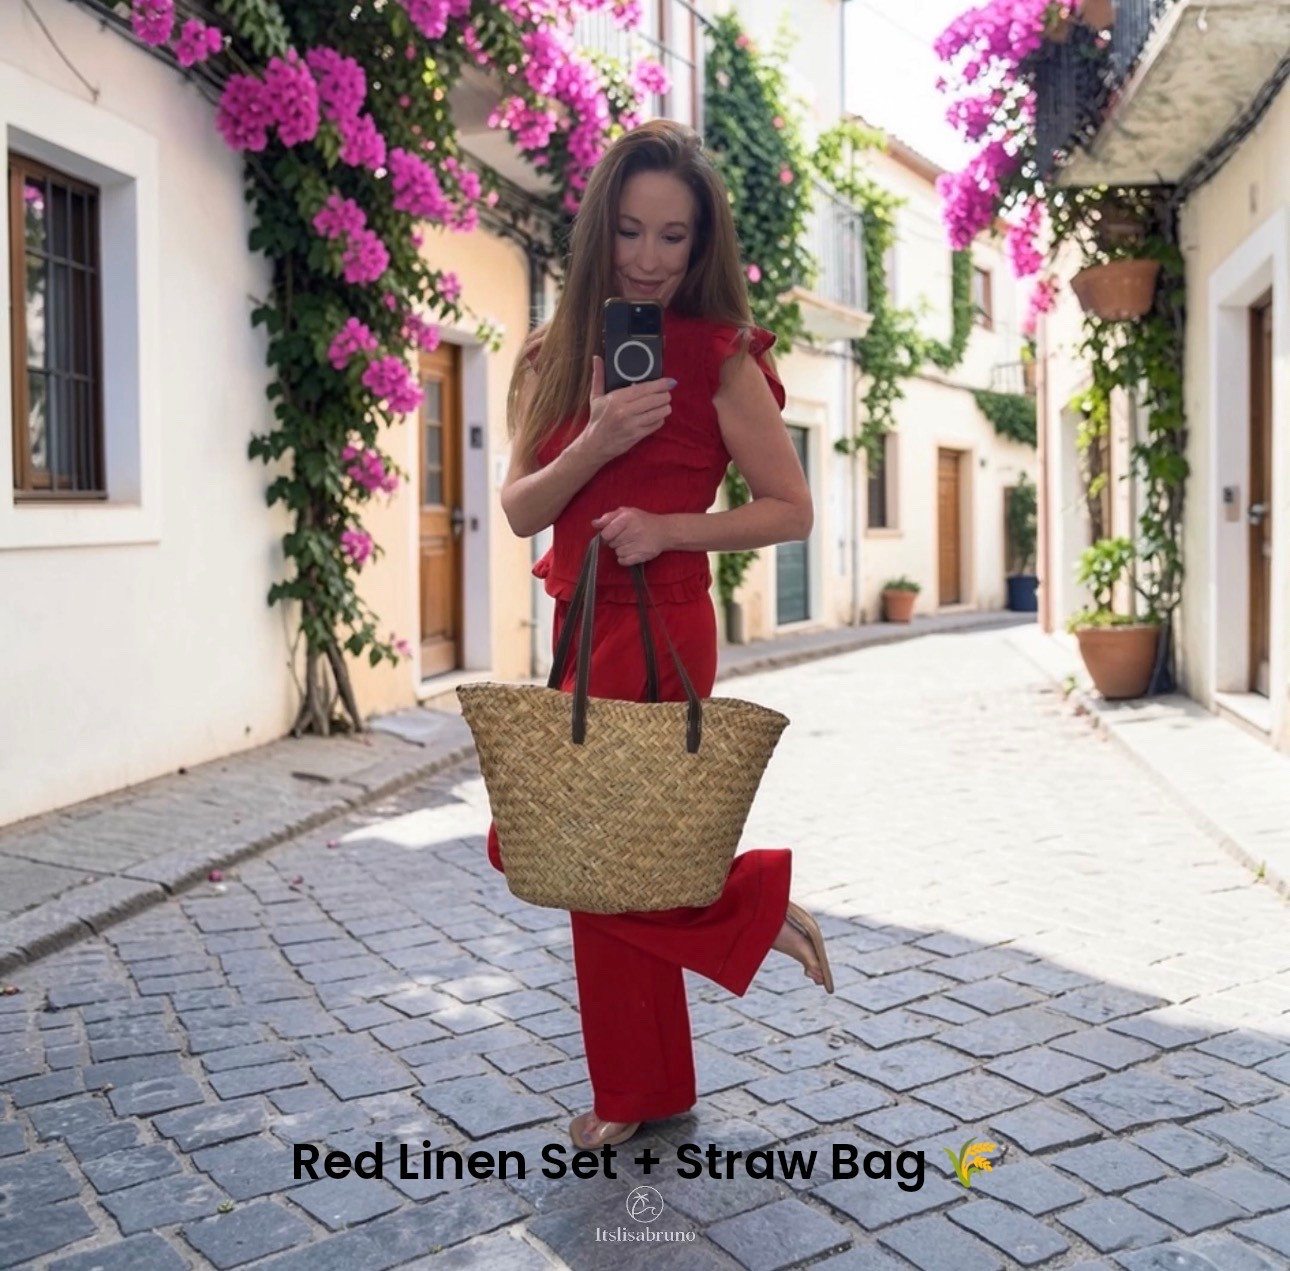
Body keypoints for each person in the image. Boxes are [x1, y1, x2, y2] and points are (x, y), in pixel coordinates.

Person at [488, 119, 833, 1152]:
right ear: (602, 227)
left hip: (665, 619)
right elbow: (517, 508)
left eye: (673, 237)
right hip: (575, 622)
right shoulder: (553, 354)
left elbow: (790, 509)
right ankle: (735, 922)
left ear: (702, 244)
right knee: (566, 849)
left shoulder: (723, 359)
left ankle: (643, 1069)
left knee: (600, 851)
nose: (648, 255)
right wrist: (600, 438)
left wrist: (667, 526)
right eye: (632, 229)